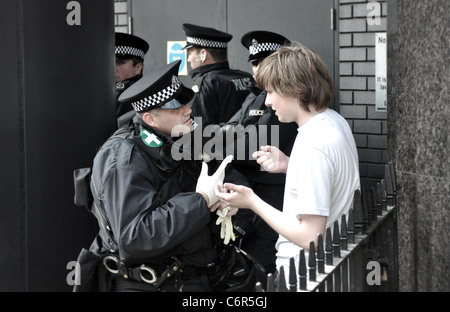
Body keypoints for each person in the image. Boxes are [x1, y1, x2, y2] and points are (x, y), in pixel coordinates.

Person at [216, 42, 360, 288]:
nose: (268, 102)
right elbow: (328, 176)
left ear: (295, 88)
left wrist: (252, 202)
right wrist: (289, 165)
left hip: (305, 275)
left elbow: (311, 237)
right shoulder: (332, 122)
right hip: (324, 269)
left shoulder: (313, 144)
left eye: (271, 92)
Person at [88, 59, 237, 292]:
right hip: (151, 284)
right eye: (176, 108)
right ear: (150, 119)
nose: (188, 110)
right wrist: (202, 201)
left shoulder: (182, 137)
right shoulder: (124, 157)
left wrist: (226, 197)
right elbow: (135, 236)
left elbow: (224, 173)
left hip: (193, 277)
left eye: (186, 103)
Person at [220, 31, 298, 274]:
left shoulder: (283, 102)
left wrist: (225, 141)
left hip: (272, 197)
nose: (257, 69)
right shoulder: (256, 97)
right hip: (250, 198)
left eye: (263, 63)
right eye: (254, 63)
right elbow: (226, 129)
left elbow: (254, 147)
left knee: (263, 268)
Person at [182, 23, 255, 125]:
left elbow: (201, 131)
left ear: (203, 54)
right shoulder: (247, 77)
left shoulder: (206, 84)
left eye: (190, 54)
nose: (188, 59)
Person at [115, 32, 149, 117]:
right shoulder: (112, 90)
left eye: (120, 63)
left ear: (138, 68)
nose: (114, 68)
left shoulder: (139, 94)